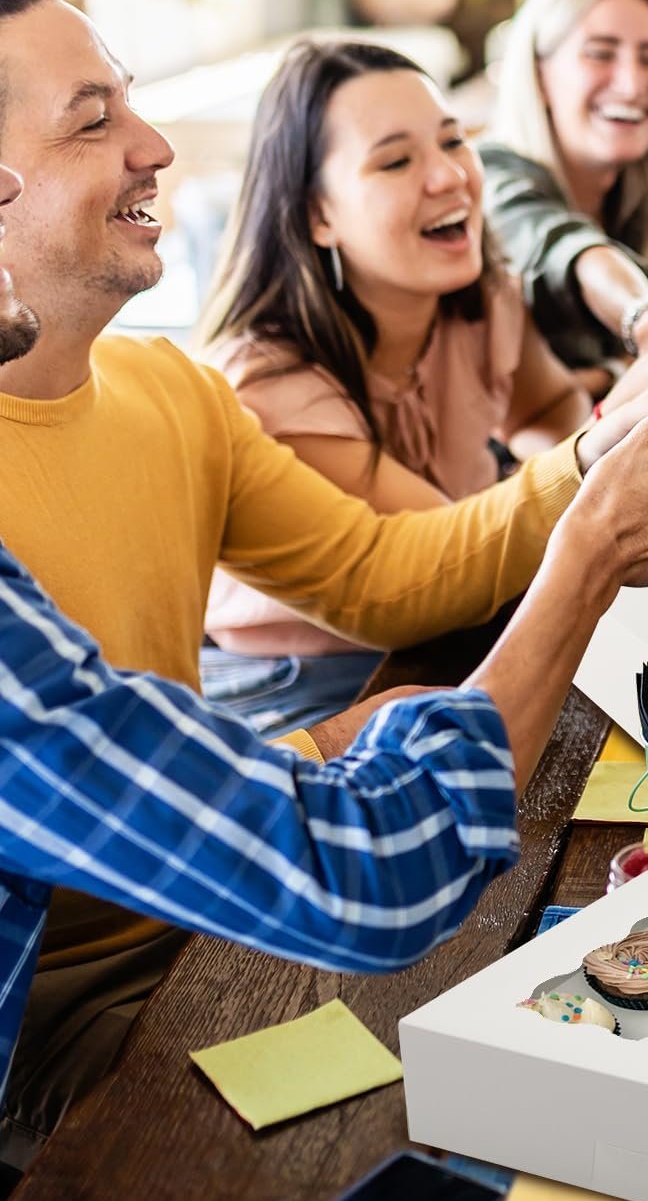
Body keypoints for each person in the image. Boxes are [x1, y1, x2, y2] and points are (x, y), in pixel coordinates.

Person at [0, 0, 648, 1159]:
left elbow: (380, 577)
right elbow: (311, 856)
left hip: (240, 888)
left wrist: (307, 757)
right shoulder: (253, 376)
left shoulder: (166, 393)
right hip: (84, 1019)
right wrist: (594, 525)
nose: (153, 147)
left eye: (132, 107)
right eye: (93, 122)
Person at [196, 38, 596, 733]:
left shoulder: (479, 298)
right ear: (317, 214)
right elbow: (443, 562)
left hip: (453, 628)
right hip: (299, 684)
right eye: (396, 160)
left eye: (452, 141)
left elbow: (550, 405)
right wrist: (608, 455)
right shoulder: (270, 381)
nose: (448, 177)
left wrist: (570, 457)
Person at [483, 0, 648, 397]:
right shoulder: (493, 174)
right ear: (540, 75)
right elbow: (571, 249)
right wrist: (642, 318)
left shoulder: (643, 210)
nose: (632, 84)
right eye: (600, 53)